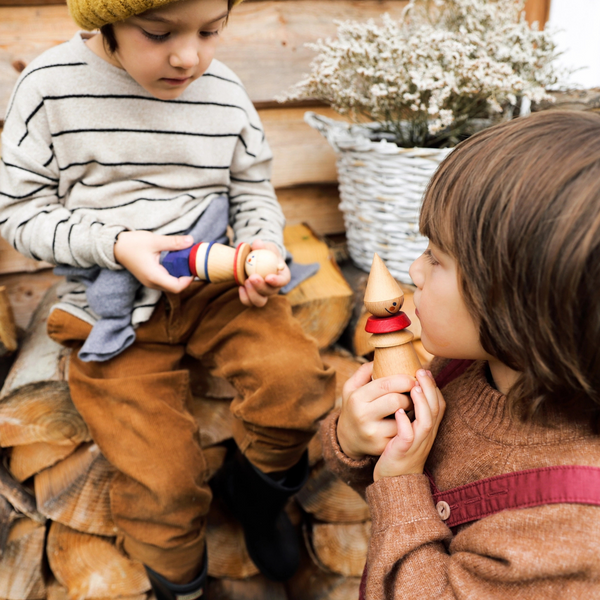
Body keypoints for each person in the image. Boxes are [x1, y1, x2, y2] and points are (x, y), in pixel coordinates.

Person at [0, 0, 335, 598]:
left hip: (215, 285)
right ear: (105, 21)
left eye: (211, 31)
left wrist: (260, 248)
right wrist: (117, 243)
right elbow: (19, 214)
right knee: (162, 481)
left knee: (294, 382)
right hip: (111, 306)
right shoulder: (50, 88)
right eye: (159, 34)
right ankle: (181, 583)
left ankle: (257, 499)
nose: (189, 56)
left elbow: (251, 189)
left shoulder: (222, 90)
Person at [321, 110, 600, 599]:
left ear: (520, 300)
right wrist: (357, 440)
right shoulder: (472, 367)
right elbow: (402, 467)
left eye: (436, 257)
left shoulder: (571, 527)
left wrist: (400, 487)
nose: (414, 269)